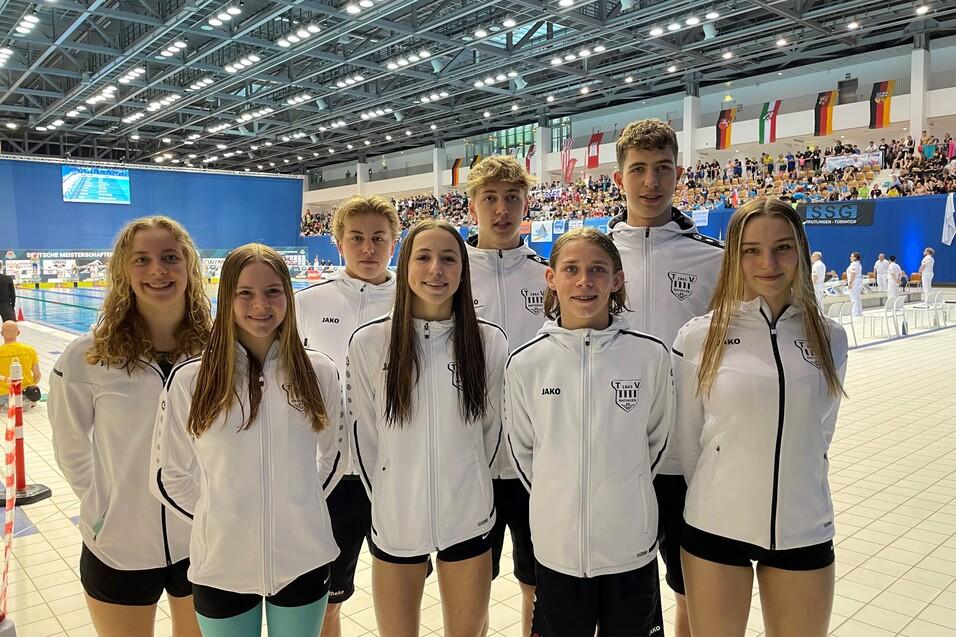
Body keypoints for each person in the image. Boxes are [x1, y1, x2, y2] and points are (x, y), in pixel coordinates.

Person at [673, 197, 848, 637]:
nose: (767, 262)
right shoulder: (699, 337)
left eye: (782, 247)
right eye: (751, 250)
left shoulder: (830, 338)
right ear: (734, 256)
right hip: (715, 524)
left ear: (801, 252)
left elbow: (819, 432)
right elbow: (687, 440)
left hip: (802, 524)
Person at [151, 244, 346, 637]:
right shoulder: (191, 380)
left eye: (273, 291)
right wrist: (221, 515)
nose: (261, 304)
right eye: (246, 293)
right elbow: (167, 475)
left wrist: (297, 505)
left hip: (303, 557)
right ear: (227, 299)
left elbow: (335, 456)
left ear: (288, 297)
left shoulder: (319, 371)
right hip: (222, 564)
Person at [49, 216, 211, 637]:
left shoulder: (218, 353)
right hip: (117, 544)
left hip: (203, 538)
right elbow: (70, 446)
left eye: (170, 257)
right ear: (124, 271)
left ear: (189, 267)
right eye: (142, 259)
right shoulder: (86, 357)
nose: (158, 269)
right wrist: (105, 507)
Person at [504, 228, 671, 636]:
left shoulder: (649, 354)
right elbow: (524, 453)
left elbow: (656, 443)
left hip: (630, 549)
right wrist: (558, 498)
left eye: (598, 270)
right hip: (558, 551)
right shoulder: (526, 363)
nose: (585, 281)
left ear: (616, 280)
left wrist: (621, 491)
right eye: (572, 269)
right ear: (551, 278)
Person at [348, 220, 508, 637]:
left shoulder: (489, 342)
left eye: (448, 259)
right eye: (423, 257)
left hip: (468, 516)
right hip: (397, 520)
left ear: (462, 270)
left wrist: (470, 478)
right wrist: (386, 495)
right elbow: (365, 436)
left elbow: (490, 433)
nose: (436, 269)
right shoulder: (370, 342)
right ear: (406, 267)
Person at [607, 118, 724, 637]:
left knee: (690, 591)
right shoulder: (592, 257)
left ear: (679, 175)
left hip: (687, 456)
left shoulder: (713, 261)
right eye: (638, 170)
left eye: (662, 170)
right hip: (614, 455)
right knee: (616, 593)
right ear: (618, 179)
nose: (650, 182)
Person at [293, 195, 399, 637]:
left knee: (400, 590)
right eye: (356, 238)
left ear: (396, 242)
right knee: (328, 598)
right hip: (331, 476)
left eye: (379, 238)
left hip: (396, 469)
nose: (368, 248)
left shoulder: (414, 301)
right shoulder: (309, 303)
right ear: (338, 242)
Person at [464, 155, 548, 636]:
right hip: (473, 456)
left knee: (537, 582)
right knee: (472, 583)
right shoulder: (450, 272)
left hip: (537, 457)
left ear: (525, 203)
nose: (502, 209)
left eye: (512, 198)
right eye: (490, 198)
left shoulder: (548, 274)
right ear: (473, 204)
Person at [0, 320, 41, 411]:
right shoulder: (30, 350)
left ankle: (7, 406)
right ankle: (23, 404)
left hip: (3, 396)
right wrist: (31, 385)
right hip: (26, 395)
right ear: (18, 333)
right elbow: (37, 375)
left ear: (2, 333)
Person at [846, 252, 863, 317]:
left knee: (853, 297)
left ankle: (855, 313)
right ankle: (859, 312)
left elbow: (853, 273)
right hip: (858, 281)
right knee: (857, 297)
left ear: (855, 257)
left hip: (854, 282)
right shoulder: (858, 264)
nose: (850, 257)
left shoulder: (853, 264)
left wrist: (850, 282)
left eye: (851, 256)